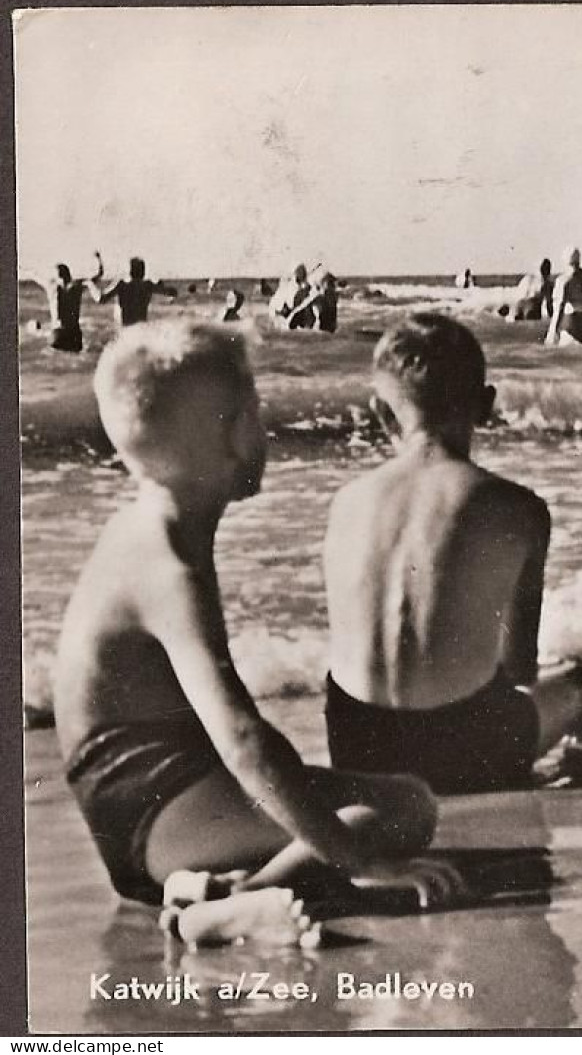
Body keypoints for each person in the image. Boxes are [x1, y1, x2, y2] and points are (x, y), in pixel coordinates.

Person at [55, 321, 462, 944]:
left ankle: (209, 884)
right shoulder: (169, 567)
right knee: (403, 808)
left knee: (336, 796)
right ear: (238, 432)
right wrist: (363, 864)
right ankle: (227, 908)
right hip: (159, 817)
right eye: (256, 412)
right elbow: (242, 739)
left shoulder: (144, 528)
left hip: (136, 812)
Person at [322, 315, 582, 794]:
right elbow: (519, 672)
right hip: (460, 757)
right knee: (577, 686)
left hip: (358, 753)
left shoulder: (346, 503)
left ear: (380, 412)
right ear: (486, 405)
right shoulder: (516, 509)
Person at [23, 251, 103, 352]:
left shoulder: (51, 285)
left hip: (57, 334)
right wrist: (99, 260)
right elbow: (99, 274)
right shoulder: (77, 286)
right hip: (73, 334)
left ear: (57, 276)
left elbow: (34, 276)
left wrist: (23, 269)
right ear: (69, 274)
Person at [93, 256, 177, 327]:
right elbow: (172, 292)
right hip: (141, 331)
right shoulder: (148, 286)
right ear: (143, 272)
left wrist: (90, 285)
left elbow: (101, 300)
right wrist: (161, 285)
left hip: (127, 332)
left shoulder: (121, 285)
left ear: (131, 272)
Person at [545, 249, 582, 346]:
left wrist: (552, 332)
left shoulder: (563, 280)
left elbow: (559, 307)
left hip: (573, 320)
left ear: (565, 260)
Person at [270, 264, 315, 330]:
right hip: (292, 315)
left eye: (302, 273)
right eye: (299, 273)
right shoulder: (288, 287)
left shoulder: (305, 288)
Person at [510, 259, 554, 324]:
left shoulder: (527, 278)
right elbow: (549, 303)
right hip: (532, 306)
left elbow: (516, 295)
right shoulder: (546, 283)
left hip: (518, 305)